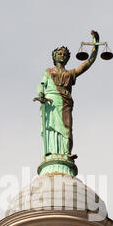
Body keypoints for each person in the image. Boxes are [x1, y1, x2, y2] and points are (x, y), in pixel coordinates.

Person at [37, 30, 100, 159]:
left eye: (64, 54)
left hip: (65, 102)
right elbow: (41, 84)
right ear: (54, 57)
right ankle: (51, 152)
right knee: (52, 126)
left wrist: (96, 46)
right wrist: (40, 93)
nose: (62, 55)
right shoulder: (48, 72)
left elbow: (88, 63)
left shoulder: (70, 74)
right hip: (51, 100)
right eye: (59, 54)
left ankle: (66, 153)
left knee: (67, 128)